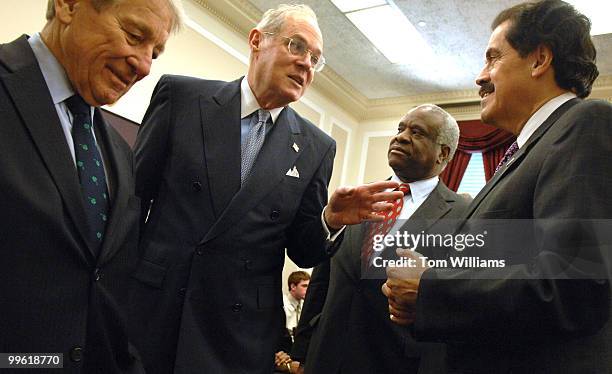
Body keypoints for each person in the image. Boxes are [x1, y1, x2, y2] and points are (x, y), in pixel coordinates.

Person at [130, 4, 402, 373]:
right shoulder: (182, 98)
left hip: (239, 329)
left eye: (316, 58)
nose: (307, 63)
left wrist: (329, 219)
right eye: (297, 46)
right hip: (157, 305)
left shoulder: (316, 145)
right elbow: (132, 200)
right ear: (257, 41)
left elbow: (303, 249)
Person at [383, 1, 612, 373]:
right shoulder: (527, 150)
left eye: (492, 59)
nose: (480, 76)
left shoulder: (586, 123)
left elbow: (574, 287)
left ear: (539, 60)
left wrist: (430, 289)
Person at [0, 0, 181, 373]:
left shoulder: (117, 153)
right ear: (68, 5)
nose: (145, 66)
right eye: (134, 36)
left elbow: (107, 292)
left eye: (155, 54)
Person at [292, 105, 472, 374]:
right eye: (400, 129)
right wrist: (303, 347)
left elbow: (457, 301)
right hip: (326, 355)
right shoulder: (358, 199)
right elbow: (322, 277)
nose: (400, 137)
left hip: (398, 360)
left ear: (443, 153)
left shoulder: (464, 213)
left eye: (417, 132)